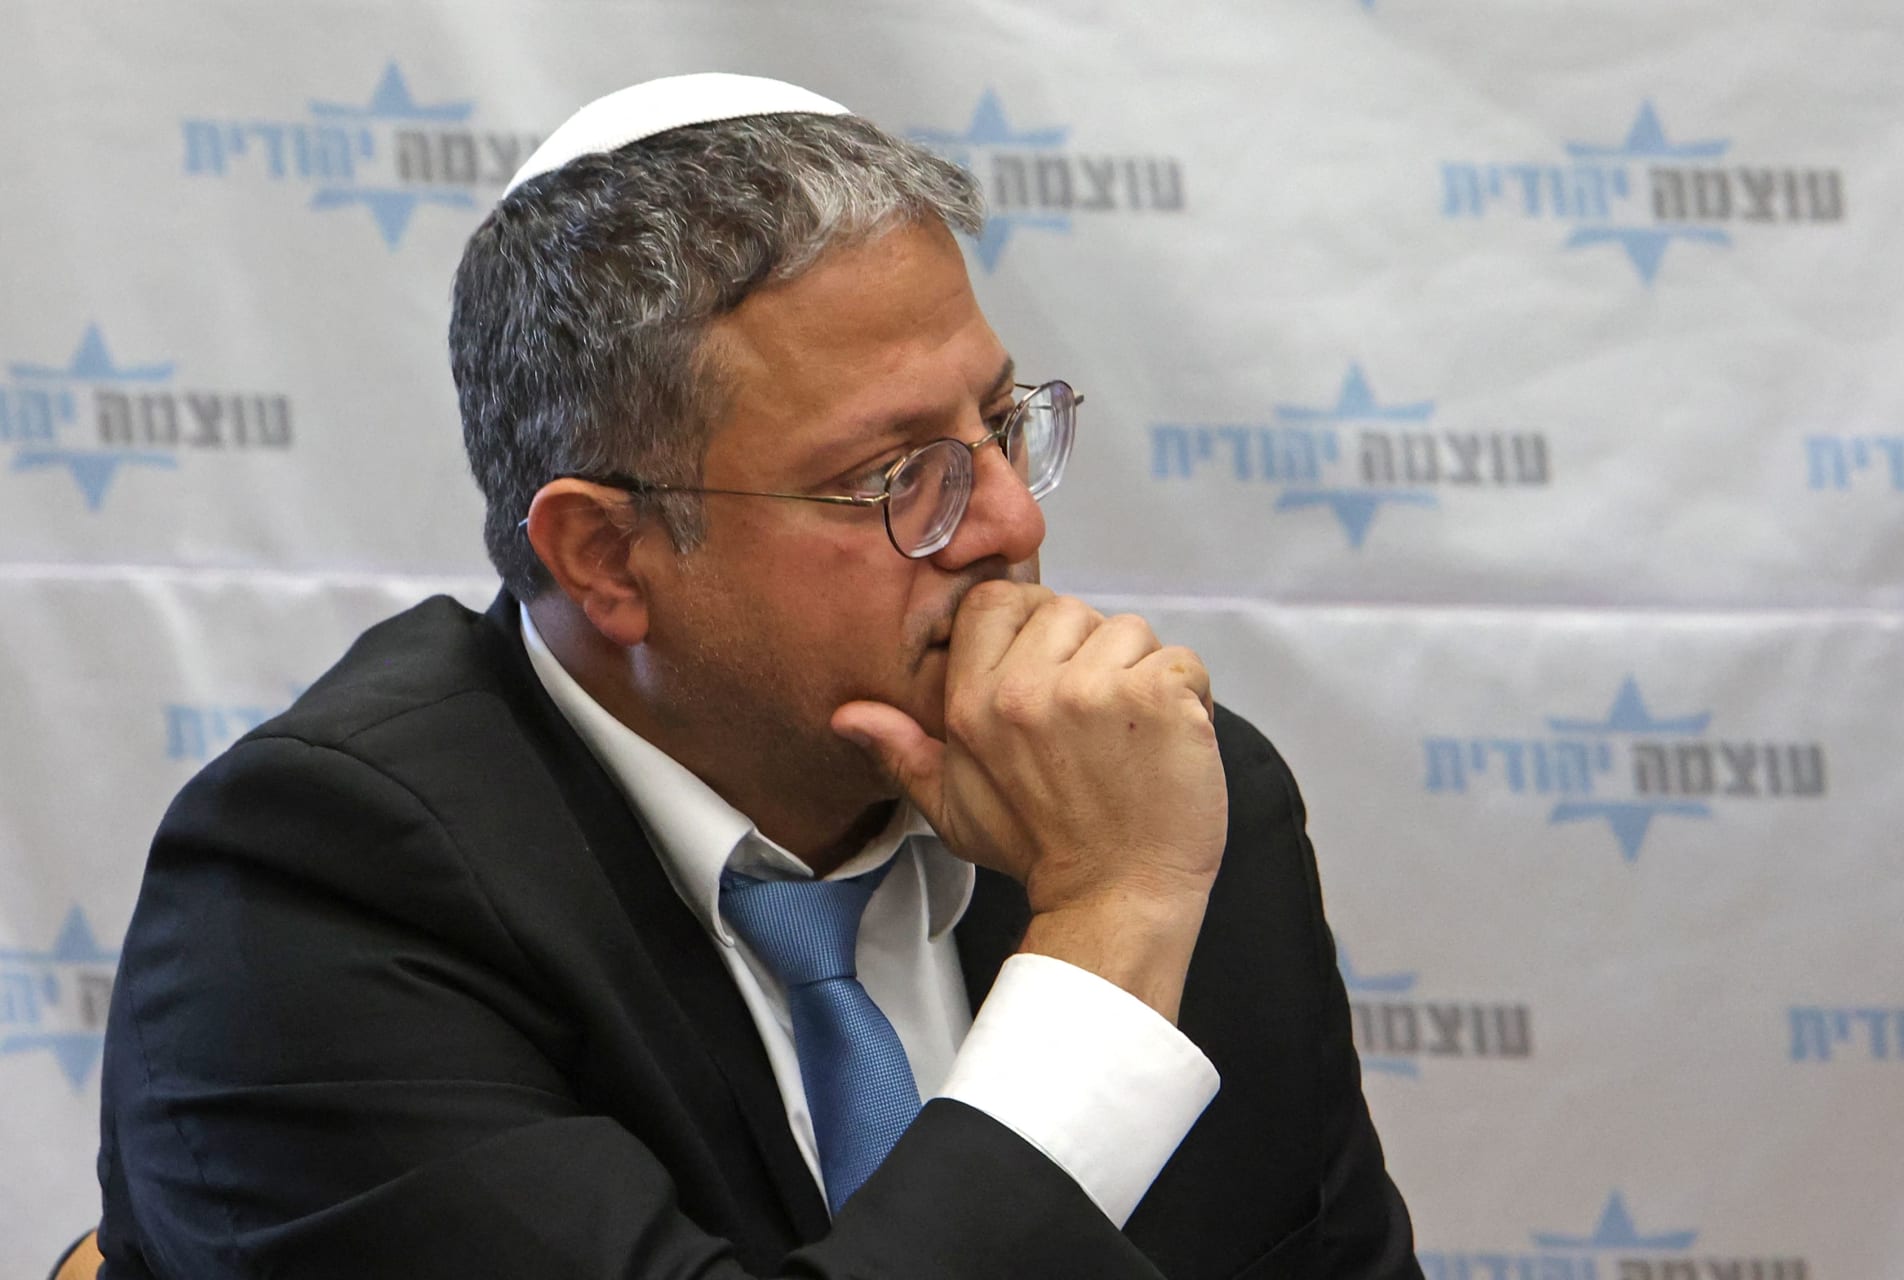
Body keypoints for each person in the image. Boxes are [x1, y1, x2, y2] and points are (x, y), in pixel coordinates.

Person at [96, 74, 1418, 1279]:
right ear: (606, 557)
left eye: (1002, 425)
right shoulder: (315, 889)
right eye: (896, 477)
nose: (1013, 521)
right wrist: (1109, 932)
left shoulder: (1165, 796)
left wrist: (1123, 885)